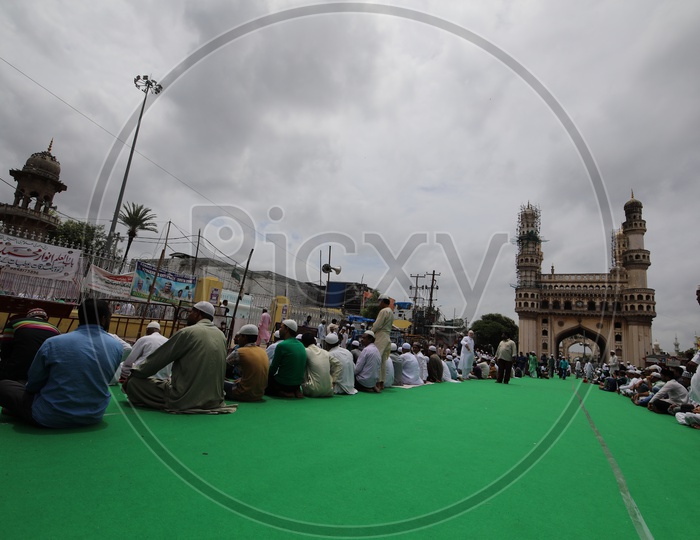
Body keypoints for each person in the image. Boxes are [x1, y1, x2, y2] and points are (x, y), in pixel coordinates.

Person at [0, 299, 123, 428]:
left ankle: (19, 410)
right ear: (104, 319)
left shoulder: (53, 342)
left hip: (49, 416)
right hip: (93, 415)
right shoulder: (117, 346)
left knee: (4, 385)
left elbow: (33, 384)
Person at [123, 301, 235, 413]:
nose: (188, 316)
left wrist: (135, 373)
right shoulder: (221, 336)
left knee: (134, 383)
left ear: (198, 314)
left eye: (190, 313)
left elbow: (157, 360)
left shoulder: (187, 332)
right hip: (214, 399)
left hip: (184, 397)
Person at [0, 307, 60, 382]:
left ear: (28, 316)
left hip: (16, 371)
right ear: (45, 318)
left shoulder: (14, 323)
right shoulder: (55, 329)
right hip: (41, 373)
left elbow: (5, 350)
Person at [225, 324, 269, 402]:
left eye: (240, 336)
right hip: (259, 394)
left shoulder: (240, 352)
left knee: (213, 382)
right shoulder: (263, 352)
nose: (238, 339)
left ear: (244, 337)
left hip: (243, 393)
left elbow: (222, 366)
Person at [267, 319, 307, 398]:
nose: (280, 330)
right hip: (297, 384)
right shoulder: (301, 345)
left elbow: (273, 369)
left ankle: (284, 392)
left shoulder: (282, 345)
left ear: (287, 329)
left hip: (284, 384)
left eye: (281, 328)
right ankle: (294, 391)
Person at [371, 295, 394, 390]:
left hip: (380, 335)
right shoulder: (391, 312)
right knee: (383, 361)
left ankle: (376, 383)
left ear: (382, 302)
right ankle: (381, 383)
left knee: (377, 359)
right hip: (387, 336)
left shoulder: (383, 311)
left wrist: (370, 333)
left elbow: (377, 324)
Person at [300, 333, 333, 397]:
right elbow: (338, 363)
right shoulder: (325, 352)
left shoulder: (305, 351)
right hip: (329, 391)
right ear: (314, 341)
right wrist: (334, 380)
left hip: (313, 390)